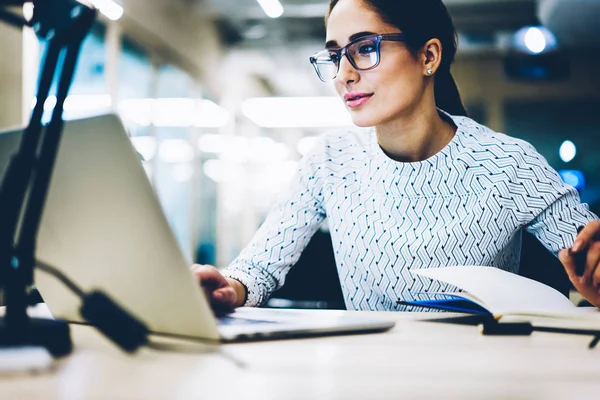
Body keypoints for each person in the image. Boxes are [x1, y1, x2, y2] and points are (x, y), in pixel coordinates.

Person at [193, 0, 600, 311]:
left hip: (481, 379)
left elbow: (590, 256)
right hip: (367, 377)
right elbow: (258, 269)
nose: (343, 74)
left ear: (428, 57)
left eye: (365, 48)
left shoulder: (509, 165)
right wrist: (229, 288)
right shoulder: (330, 161)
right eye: (335, 55)